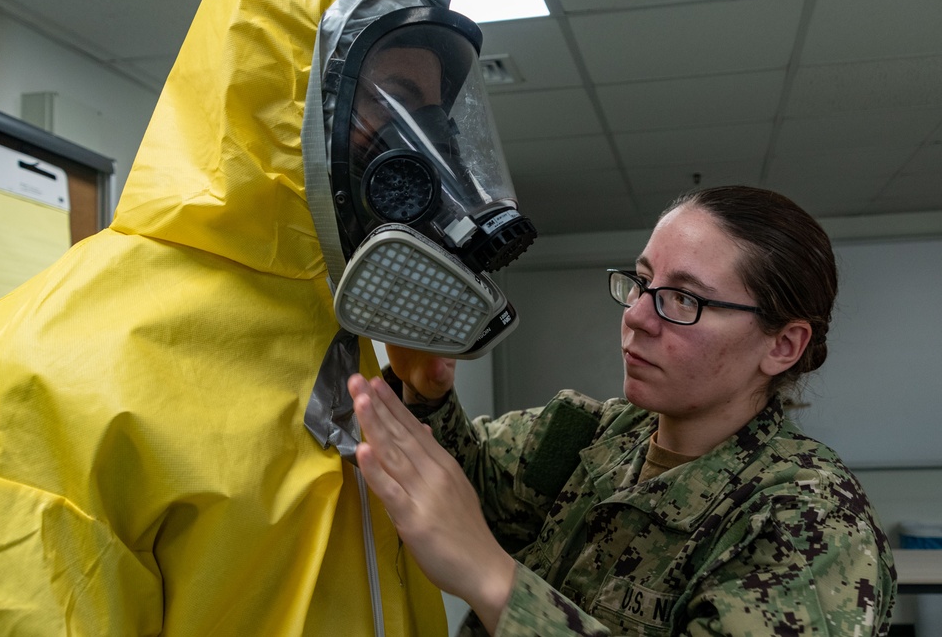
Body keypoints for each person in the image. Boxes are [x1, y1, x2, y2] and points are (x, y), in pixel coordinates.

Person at [0, 0, 534, 634]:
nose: (433, 149)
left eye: (435, 117)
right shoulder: (40, 376)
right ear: (284, 98)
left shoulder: (337, 345)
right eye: (394, 101)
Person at [348, 185, 898, 635]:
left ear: (782, 346)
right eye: (641, 282)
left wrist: (494, 579)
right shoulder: (590, 434)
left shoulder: (812, 525)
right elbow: (477, 490)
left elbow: (469, 540)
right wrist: (429, 394)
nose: (636, 316)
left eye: (685, 299)